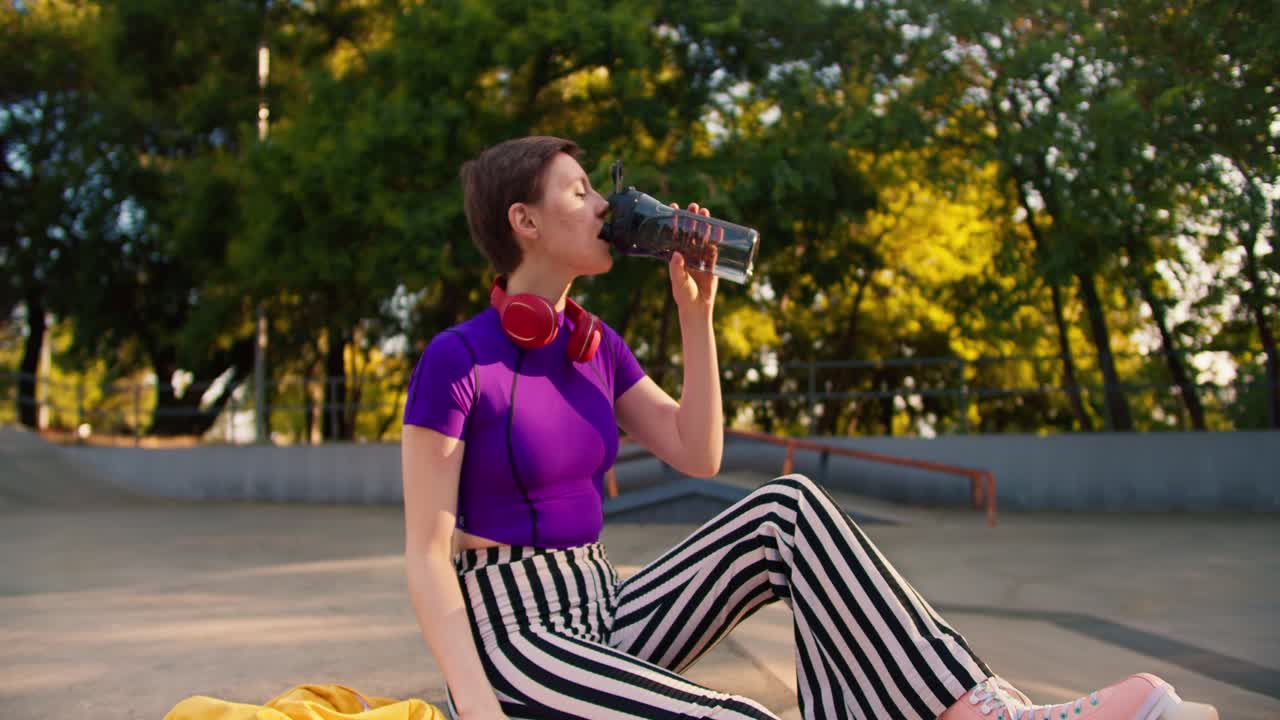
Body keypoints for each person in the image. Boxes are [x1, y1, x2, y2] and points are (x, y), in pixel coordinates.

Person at [399, 136, 1217, 720]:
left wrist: (697, 317)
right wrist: (476, 705)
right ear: (525, 221)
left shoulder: (593, 344)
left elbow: (697, 453)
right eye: (580, 191)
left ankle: (982, 711)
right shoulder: (456, 359)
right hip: (516, 639)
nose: (606, 205)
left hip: (605, 605)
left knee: (787, 510)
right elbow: (428, 557)